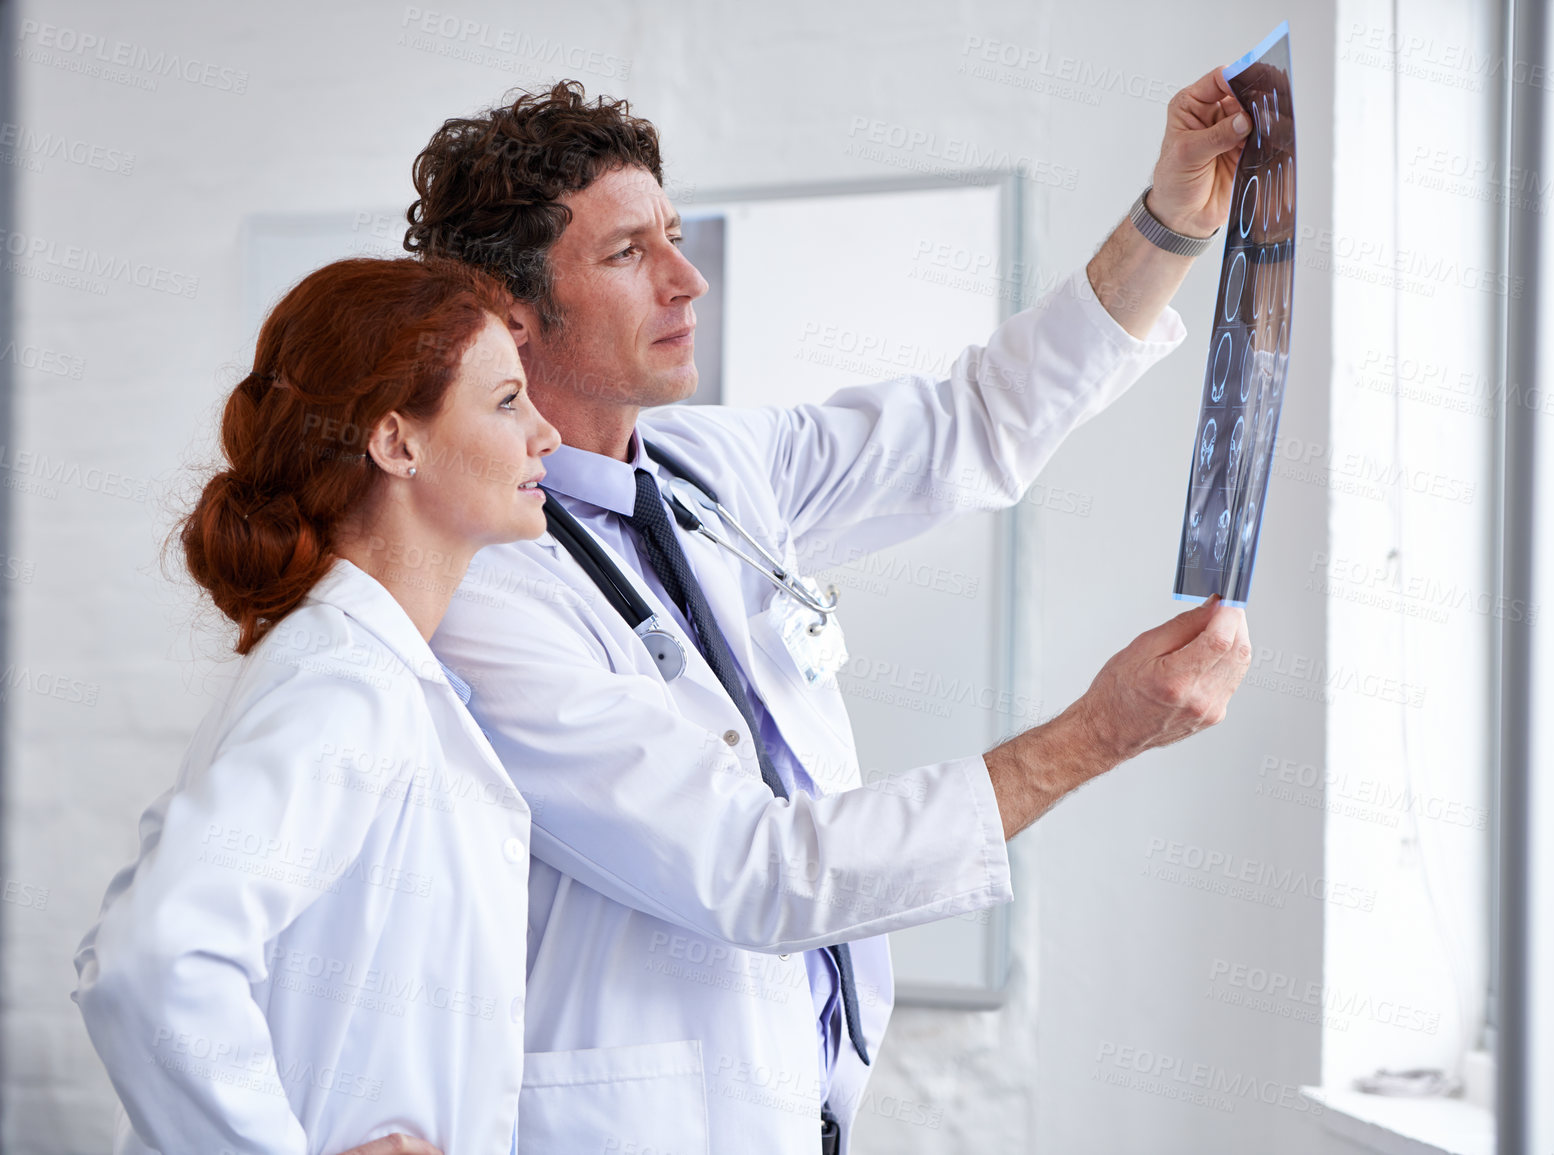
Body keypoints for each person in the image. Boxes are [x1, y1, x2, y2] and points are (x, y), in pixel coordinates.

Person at [410, 66, 1255, 1154]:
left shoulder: (709, 466)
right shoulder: (480, 588)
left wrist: (1170, 224)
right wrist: (1098, 734)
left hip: (797, 1108)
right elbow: (756, 869)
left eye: (673, 234)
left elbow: (978, 420)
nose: (687, 278)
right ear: (511, 317)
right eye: (629, 254)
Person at [73, 257, 560, 1155]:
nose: (547, 433)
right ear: (395, 443)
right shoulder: (342, 683)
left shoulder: (370, 670)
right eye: (506, 402)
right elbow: (150, 961)